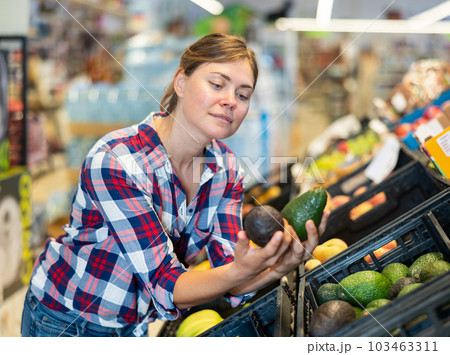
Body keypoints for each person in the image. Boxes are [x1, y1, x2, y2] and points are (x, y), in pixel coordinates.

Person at [21, 33, 329, 337]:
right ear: (181, 82)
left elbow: (228, 272)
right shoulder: (117, 160)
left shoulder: (226, 169)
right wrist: (242, 269)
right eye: (217, 84)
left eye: (243, 95)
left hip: (133, 323)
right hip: (66, 319)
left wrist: (276, 268)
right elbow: (167, 283)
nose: (230, 102)